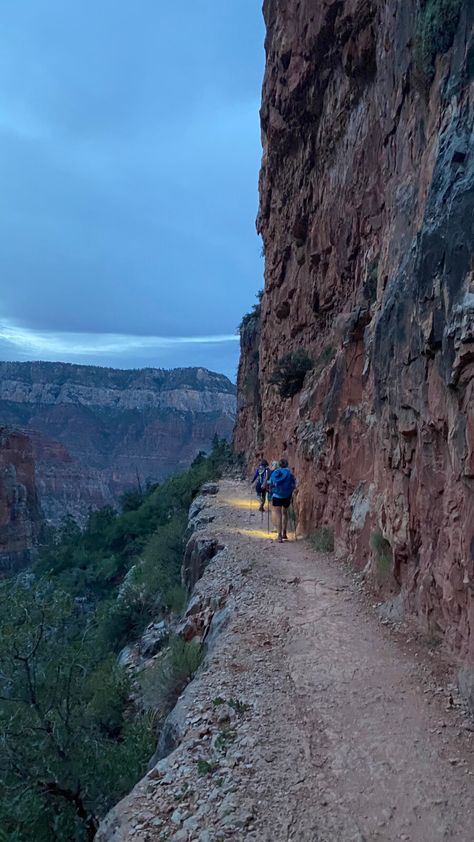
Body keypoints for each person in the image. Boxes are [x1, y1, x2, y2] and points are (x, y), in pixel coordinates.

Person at [269, 458, 296, 542]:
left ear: (279, 465)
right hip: (287, 496)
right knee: (285, 514)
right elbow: (294, 484)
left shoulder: (275, 473)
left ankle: (279, 536)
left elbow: (271, 483)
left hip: (277, 496)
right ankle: (284, 533)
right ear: (287, 464)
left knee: (278, 515)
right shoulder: (290, 474)